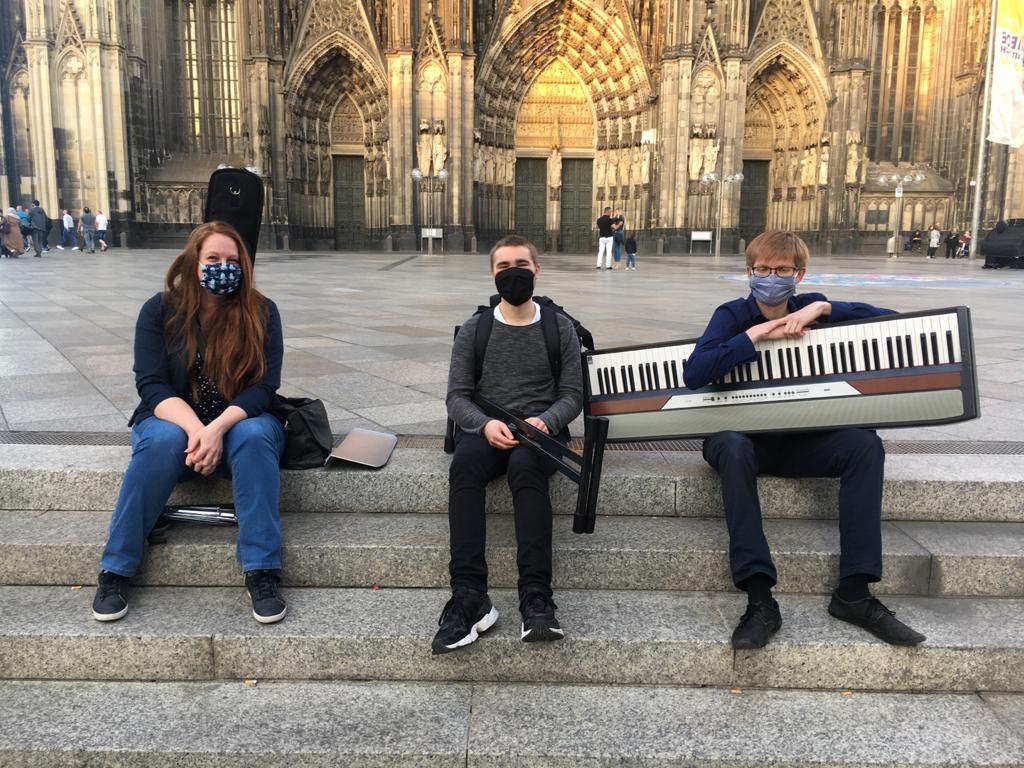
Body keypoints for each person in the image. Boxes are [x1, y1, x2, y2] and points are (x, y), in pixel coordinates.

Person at [683, 229, 926, 651]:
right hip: (745, 440)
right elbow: (695, 372)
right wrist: (754, 336)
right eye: (763, 270)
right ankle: (760, 598)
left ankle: (854, 593)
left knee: (864, 445)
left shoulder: (812, 307)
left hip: (802, 440)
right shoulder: (732, 315)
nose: (771, 277)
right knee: (733, 446)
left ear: (799, 273)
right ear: (749, 271)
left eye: (782, 270)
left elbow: (893, 321)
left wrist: (826, 306)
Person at [92, 221, 288, 625]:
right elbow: (151, 385)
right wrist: (198, 431)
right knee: (162, 438)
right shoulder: (159, 310)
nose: (223, 267)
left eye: (233, 260)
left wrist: (216, 428)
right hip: (174, 423)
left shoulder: (262, 312)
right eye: (213, 258)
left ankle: (262, 570)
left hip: (239, 425)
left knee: (253, 435)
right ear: (193, 261)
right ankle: (115, 570)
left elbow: (264, 388)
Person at [434, 234, 584, 654]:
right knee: (464, 468)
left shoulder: (561, 329)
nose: (513, 272)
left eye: (521, 264)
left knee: (525, 469)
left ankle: (536, 597)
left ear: (537, 270)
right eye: (504, 266)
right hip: (488, 431)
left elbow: (573, 394)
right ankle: (469, 596)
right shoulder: (475, 330)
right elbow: (456, 396)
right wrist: (483, 426)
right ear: (492, 273)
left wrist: (546, 422)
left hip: (541, 434)